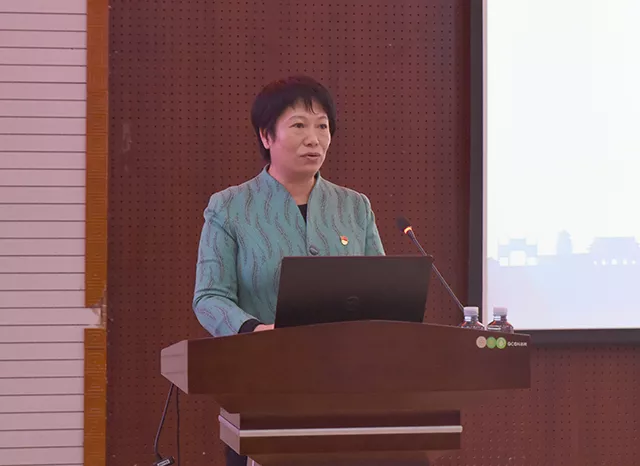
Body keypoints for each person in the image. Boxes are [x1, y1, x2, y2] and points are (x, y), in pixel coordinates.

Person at [191, 76, 385, 465]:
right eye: (299, 125)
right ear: (266, 136)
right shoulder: (230, 207)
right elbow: (209, 297)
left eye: (322, 126)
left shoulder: (354, 207)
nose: (314, 139)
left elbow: (383, 291)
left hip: (348, 387)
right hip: (263, 387)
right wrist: (254, 331)